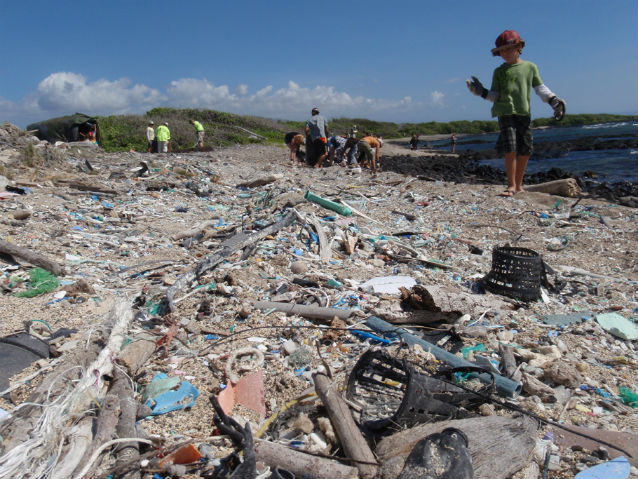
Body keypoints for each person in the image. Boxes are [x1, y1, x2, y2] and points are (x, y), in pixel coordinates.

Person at [467, 29, 565, 197]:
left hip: (524, 113)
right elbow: (495, 96)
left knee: (526, 149)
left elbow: (540, 88)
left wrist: (553, 100)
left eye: (507, 49)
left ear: (519, 47)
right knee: (510, 148)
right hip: (504, 113)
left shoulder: (530, 67)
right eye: (501, 51)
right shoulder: (499, 72)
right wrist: (481, 92)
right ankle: (511, 185)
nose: (504, 53)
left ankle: (519, 185)